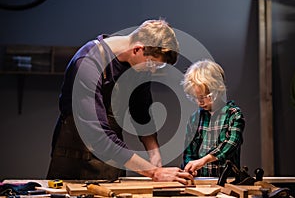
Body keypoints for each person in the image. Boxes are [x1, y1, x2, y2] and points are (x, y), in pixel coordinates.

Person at [47, 19, 193, 184]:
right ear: (137, 49)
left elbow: (142, 113)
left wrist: (154, 153)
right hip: (73, 159)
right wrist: (154, 172)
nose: (152, 70)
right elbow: (97, 135)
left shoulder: (139, 67)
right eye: (152, 63)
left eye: (157, 67)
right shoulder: (89, 62)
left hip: (111, 161)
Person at [181, 60, 245, 177]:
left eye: (203, 97)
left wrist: (204, 160)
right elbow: (189, 151)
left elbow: (231, 143)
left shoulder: (233, 114)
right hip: (202, 182)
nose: (199, 102)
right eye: (195, 97)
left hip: (227, 181)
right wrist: (190, 168)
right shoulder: (195, 119)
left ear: (217, 90)